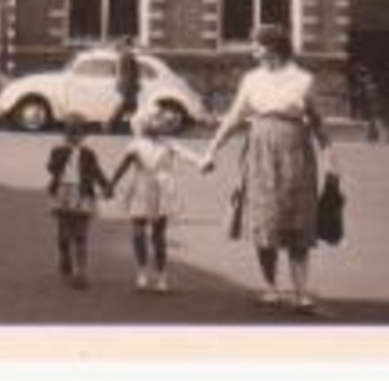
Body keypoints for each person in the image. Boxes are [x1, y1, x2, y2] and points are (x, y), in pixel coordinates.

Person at [199, 23, 333, 313]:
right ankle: (271, 288)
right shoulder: (251, 79)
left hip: (296, 155)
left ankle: (300, 293)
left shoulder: (303, 80)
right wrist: (211, 151)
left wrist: (331, 164)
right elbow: (234, 117)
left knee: (298, 222)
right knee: (264, 222)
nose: (252, 50)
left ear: (272, 48)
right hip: (259, 155)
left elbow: (320, 126)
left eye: (257, 45)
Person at [107, 103, 203, 293]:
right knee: (138, 232)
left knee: (159, 235)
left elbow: (188, 155)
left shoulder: (168, 143)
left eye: (160, 118)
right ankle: (142, 270)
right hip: (141, 188)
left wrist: (202, 162)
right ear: (144, 123)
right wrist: (111, 184)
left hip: (162, 189)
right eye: (156, 118)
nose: (160, 121)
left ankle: (161, 274)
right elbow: (123, 165)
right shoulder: (135, 144)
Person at [45, 115, 113, 290]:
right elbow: (52, 168)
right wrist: (65, 152)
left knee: (81, 235)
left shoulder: (89, 153)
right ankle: (65, 255)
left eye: (78, 133)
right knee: (64, 233)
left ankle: (81, 272)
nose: (74, 137)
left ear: (84, 135)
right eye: (70, 133)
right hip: (63, 192)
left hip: (83, 194)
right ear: (65, 134)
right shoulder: (58, 150)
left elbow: (96, 171)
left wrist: (106, 186)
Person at [108, 37, 142, 132]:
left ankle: (128, 126)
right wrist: (129, 86)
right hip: (128, 85)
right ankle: (111, 125)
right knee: (125, 105)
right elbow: (127, 73)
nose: (133, 47)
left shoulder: (124, 56)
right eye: (131, 45)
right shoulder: (126, 56)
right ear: (127, 45)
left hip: (128, 85)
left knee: (132, 106)